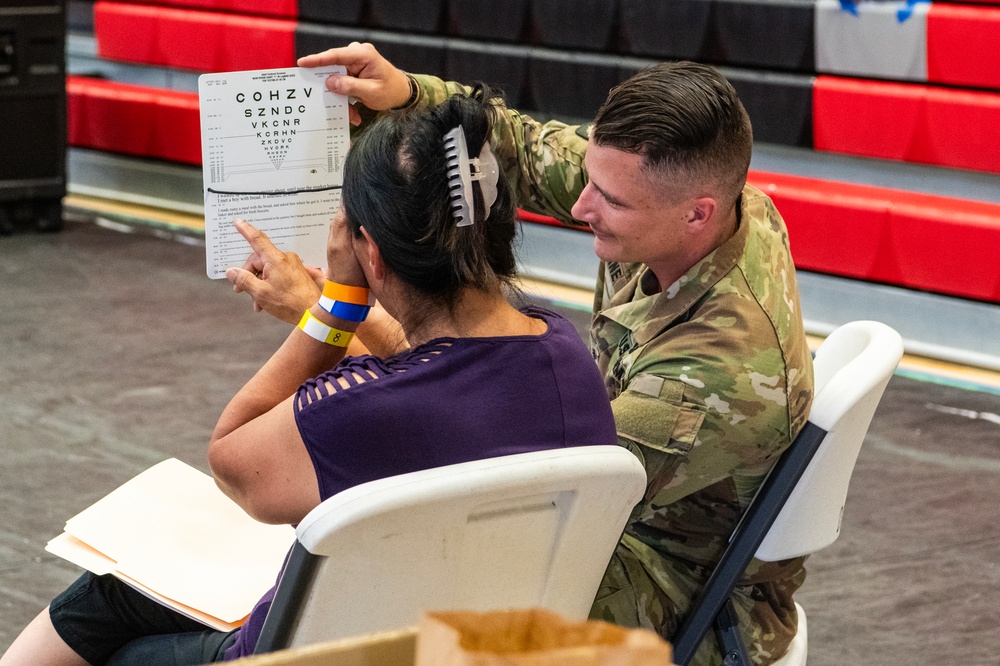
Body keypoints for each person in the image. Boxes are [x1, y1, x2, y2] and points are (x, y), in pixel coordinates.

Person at [232, 44, 815, 666]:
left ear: (697, 213)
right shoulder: (704, 202)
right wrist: (407, 93)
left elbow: (502, 444)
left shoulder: (709, 381)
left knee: (377, 583)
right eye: (592, 180)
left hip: (667, 589)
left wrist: (331, 307)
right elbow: (530, 151)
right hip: (631, 517)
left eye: (611, 201)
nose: (583, 207)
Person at [0, 86, 618, 666]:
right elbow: (440, 364)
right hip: (466, 636)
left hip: (317, 648)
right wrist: (319, 298)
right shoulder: (563, 352)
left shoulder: (365, 414)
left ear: (369, 252)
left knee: (109, 599)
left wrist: (337, 304)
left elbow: (231, 459)